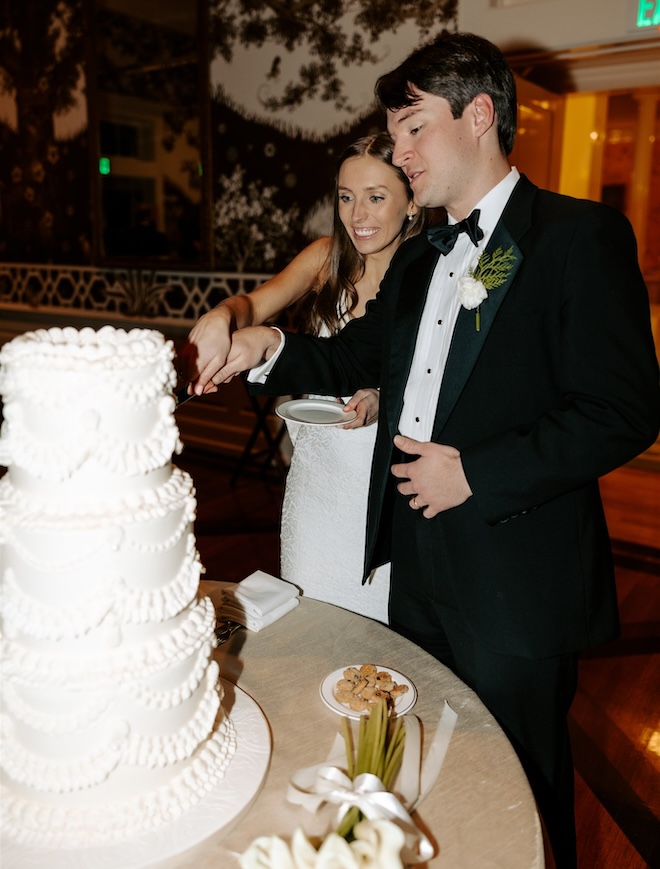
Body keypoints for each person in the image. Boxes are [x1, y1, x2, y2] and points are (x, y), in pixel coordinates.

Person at [186, 34, 660, 868]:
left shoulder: (576, 237)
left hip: (518, 580)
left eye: (412, 129)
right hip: (414, 569)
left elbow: (623, 410)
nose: (399, 155)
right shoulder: (416, 262)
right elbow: (350, 357)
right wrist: (261, 343)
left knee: (526, 780)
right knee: (434, 764)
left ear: (478, 115)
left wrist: (475, 471)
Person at [180, 133, 425, 622]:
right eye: (346, 197)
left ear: (413, 202)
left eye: (376, 198)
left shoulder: (427, 273)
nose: (358, 215)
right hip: (316, 482)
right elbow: (254, 304)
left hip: (383, 486)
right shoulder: (325, 258)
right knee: (309, 619)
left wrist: (381, 394)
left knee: (376, 637)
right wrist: (223, 316)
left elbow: (431, 377)